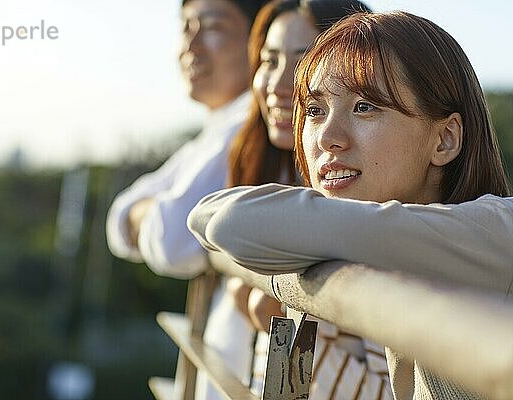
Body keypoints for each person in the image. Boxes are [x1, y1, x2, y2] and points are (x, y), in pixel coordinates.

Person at [188, 11, 512, 400]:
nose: (327, 137)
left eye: (365, 107)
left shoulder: (492, 232)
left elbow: (227, 222)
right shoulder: (403, 248)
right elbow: (206, 216)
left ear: (444, 140)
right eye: (315, 110)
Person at [222, 1, 393, 397]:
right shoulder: (276, 178)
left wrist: (287, 320)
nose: (279, 84)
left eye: (304, 61)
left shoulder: (370, 203)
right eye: (269, 60)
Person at [105, 1, 267, 399]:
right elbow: (118, 217)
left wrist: (149, 213)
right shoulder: (218, 128)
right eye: (185, 27)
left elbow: (174, 240)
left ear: (257, 38)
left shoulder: (250, 125)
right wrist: (148, 213)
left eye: (212, 27)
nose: (190, 45)